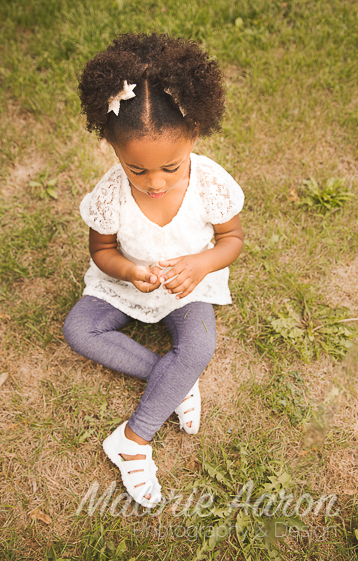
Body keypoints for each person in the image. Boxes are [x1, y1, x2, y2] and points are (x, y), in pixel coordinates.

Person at [61, 33, 245, 508]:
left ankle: (133, 439)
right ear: (111, 148)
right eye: (137, 170)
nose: (156, 182)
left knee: (201, 341)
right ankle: (175, 378)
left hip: (187, 286)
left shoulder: (211, 185)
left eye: (170, 166)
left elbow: (232, 240)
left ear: (195, 135)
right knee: (78, 329)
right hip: (126, 283)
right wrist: (127, 269)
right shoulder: (109, 195)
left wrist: (200, 263)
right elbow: (101, 251)